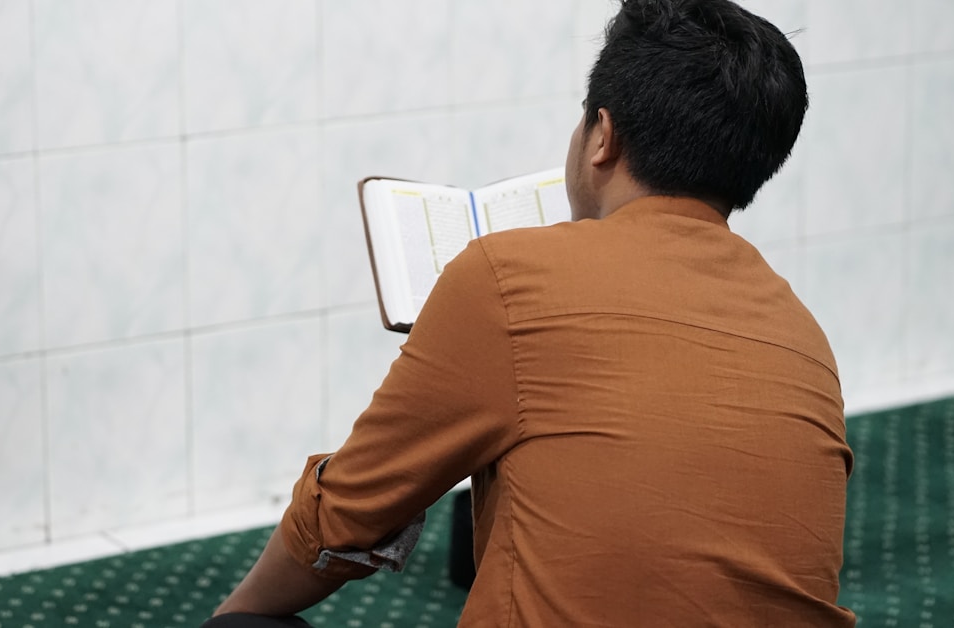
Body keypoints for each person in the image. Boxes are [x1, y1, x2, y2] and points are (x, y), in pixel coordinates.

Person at [205, 0, 855, 625]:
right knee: (491, 516)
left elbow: (345, 513)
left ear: (602, 136)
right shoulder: (803, 334)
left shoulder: (508, 278)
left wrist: (233, 618)